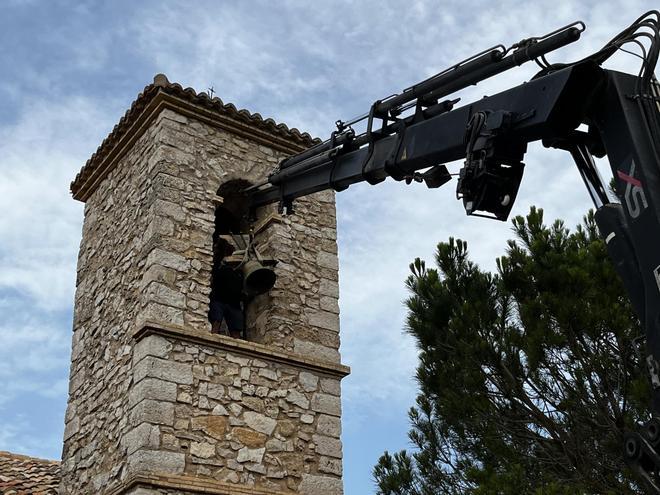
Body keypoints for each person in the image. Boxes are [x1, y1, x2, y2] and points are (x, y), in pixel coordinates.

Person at [209, 240, 244, 339]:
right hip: (220, 299)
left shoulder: (237, 267)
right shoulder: (217, 264)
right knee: (216, 323)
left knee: (235, 331)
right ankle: (212, 341)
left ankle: (237, 350)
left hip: (233, 302)